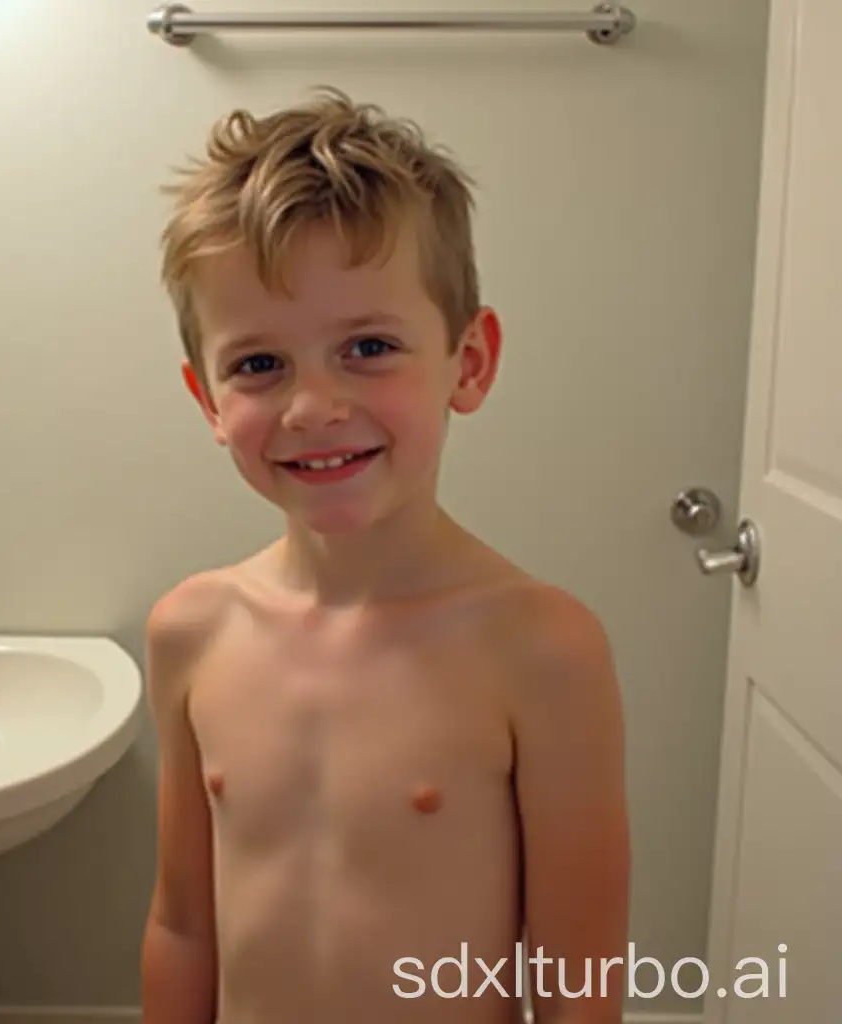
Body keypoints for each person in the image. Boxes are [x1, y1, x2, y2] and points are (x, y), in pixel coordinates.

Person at [140, 86, 630, 1024]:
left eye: (368, 346)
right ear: (207, 397)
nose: (312, 407)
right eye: (258, 364)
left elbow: (575, 985)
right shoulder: (189, 632)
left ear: (469, 363)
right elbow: (183, 928)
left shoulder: (545, 649)